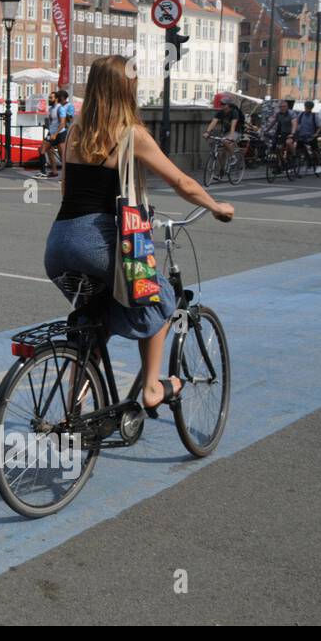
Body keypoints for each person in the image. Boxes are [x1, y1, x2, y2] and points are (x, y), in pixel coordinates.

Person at [44, 55, 233, 417]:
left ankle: (74, 412)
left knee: (93, 323)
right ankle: (150, 387)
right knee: (160, 296)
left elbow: (67, 190)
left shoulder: (75, 132)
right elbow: (182, 182)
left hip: (58, 244)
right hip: (96, 242)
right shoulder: (130, 134)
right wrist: (216, 206)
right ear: (126, 88)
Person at [205, 95, 244, 168]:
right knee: (220, 151)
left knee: (225, 141)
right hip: (225, 132)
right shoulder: (220, 112)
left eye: (223, 104)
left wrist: (231, 136)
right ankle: (222, 170)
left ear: (228, 105)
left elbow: (233, 125)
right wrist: (207, 132)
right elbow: (213, 122)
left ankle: (233, 157)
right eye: (221, 104)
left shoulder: (234, 112)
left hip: (236, 131)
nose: (221, 105)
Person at [294, 100, 321, 175]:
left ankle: (319, 165)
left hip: (311, 136)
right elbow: (297, 123)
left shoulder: (314, 116)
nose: (307, 109)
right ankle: (301, 163)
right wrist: (296, 130)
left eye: (308, 108)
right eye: (306, 107)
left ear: (311, 108)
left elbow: (319, 127)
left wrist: (316, 134)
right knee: (298, 150)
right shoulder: (301, 114)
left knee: (315, 150)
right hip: (302, 136)